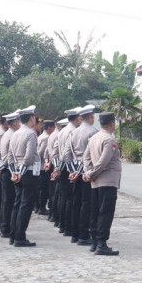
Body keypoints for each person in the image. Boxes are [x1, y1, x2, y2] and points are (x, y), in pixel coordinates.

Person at [83, 112, 121, 256]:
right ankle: (102, 243)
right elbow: (103, 162)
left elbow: (86, 158)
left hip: (95, 181)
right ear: (111, 123)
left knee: (95, 212)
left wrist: (88, 172)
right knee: (105, 212)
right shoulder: (109, 139)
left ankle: (94, 241)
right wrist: (92, 173)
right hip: (107, 180)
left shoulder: (94, 138)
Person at [8, 105, 40, 247]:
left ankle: (13, 235)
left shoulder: (15, 133)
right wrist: (20, 173)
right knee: (25, 205)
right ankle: (20, 237)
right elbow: (28, 157)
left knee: (17, 203)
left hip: (18, 172)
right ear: (31, 118)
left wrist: (14, 172)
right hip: (28, 172)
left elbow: (10, 156)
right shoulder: (30, 134)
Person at [69, 105, 98, 244]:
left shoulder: (74, 132)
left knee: (76, 202)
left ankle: (74, 234)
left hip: (75, 168)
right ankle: (83, 234)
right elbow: (93, 154)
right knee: (87, 204)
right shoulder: (93, 132)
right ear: (91, 117)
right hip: (87, 170)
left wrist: (73, 170)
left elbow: (68, 154)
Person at [56, 107, 82, 237]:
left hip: (62, 166)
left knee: (63, 198)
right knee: (70, 200)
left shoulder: (62, 131)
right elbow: (68, 154)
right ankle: (68, 227)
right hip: (70, 168)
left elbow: (56, 151)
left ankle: (62, 224)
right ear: (77, 118)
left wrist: (57, 167)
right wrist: (73, 170)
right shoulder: (74, 132)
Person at [0, 111, 19, 238]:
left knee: (6, 200)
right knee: (9, 200)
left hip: (5, 169)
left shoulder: (6, 134)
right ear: (14, 123)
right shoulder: (12, 135)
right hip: (9, 169)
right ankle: (7, 228)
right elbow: (9, 157)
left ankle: (5, 227)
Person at [36, 119, 55, 216]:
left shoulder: (41, 136)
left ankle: (39, 206)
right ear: (50, 128)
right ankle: (41, 207)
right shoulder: (46, 138)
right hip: (43, 167)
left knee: (41, 188)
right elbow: (40, 153)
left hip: (41, 166)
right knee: (43, 189)